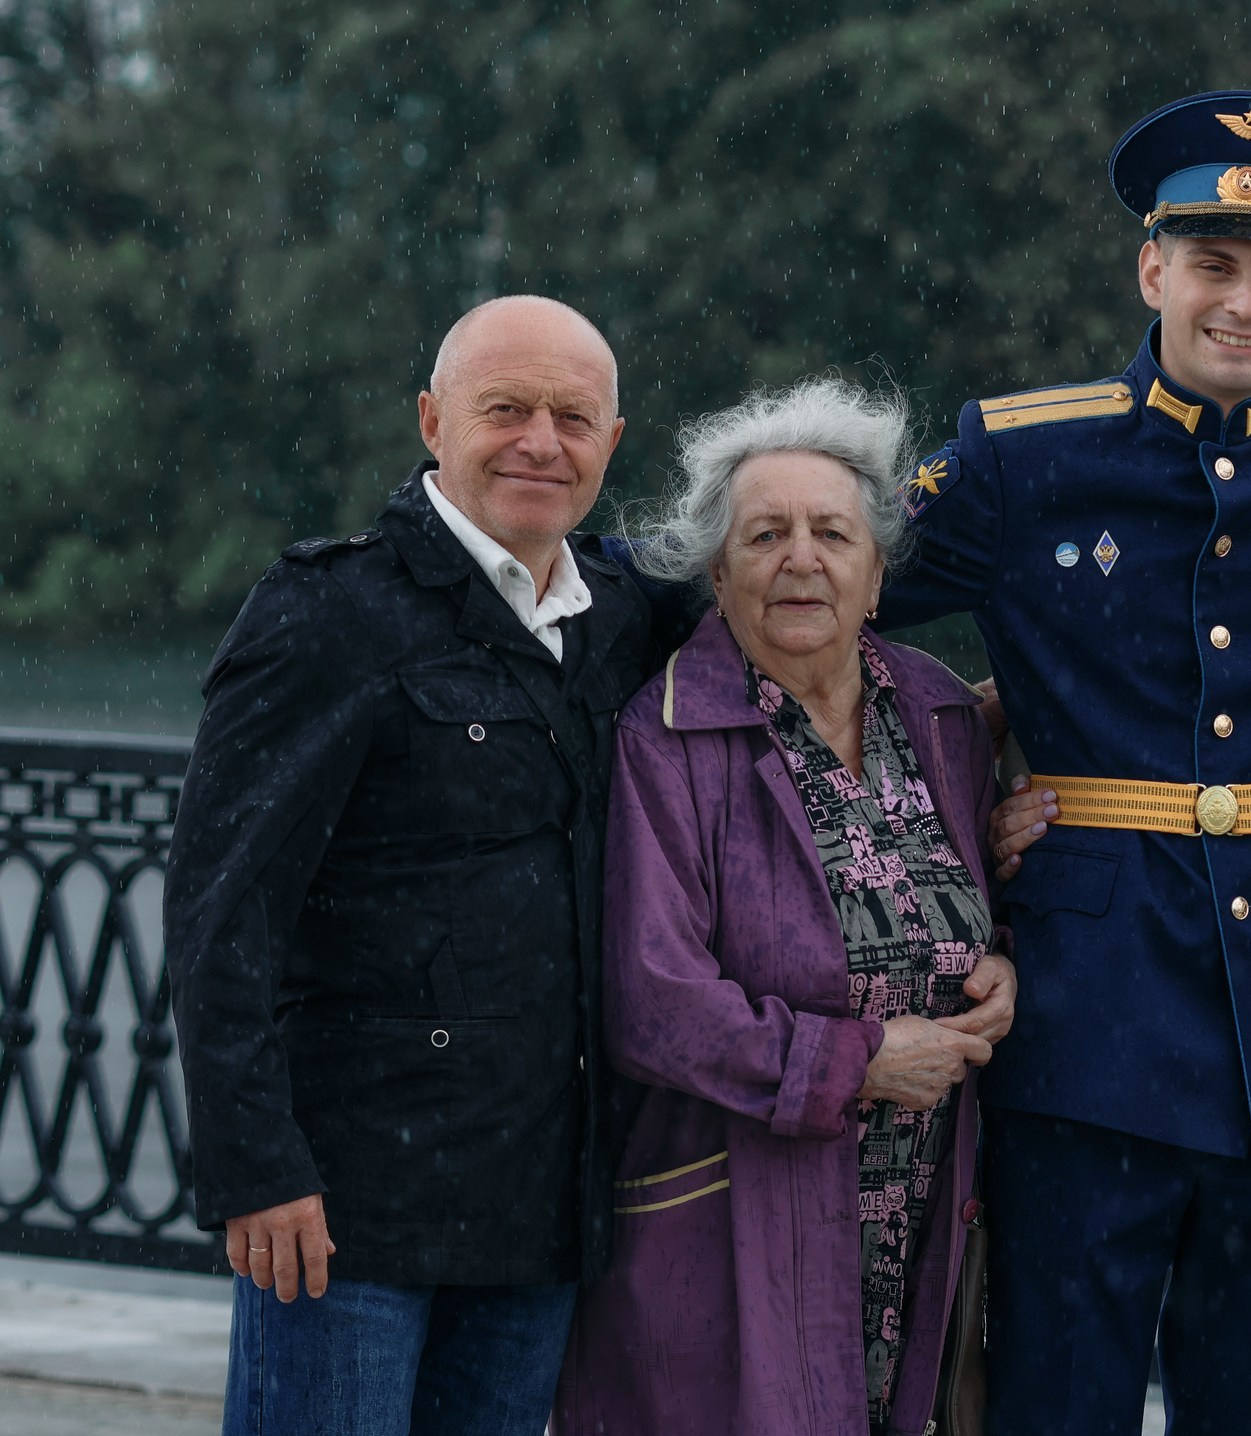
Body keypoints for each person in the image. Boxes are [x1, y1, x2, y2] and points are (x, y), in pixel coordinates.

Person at [879, 90, 1251, 1435]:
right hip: (1089, 1018)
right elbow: (805, 605)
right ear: (1153, 270)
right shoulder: (1023, 455)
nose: (1244, 303)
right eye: (1214, 266)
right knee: (1058, 1401)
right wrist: (957, 789)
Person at [166, 295, 657, 1434]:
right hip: (345, 1207)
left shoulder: (628, 614)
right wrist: (253, 1166)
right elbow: (216, 907)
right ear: (433, 420)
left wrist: (968, 726)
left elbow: (805, 637)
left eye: (573, 417)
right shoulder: (328, 613)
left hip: (542, 1202)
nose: (542, 439)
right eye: (506, 408)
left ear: (613, 444)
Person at [552, 378, 1019, 1435]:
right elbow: (654, 1000)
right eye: (764, 533)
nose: (799, 558)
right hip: (732, 1217)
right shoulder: (663, 735)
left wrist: (1001, 958)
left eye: (831, 532)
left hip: (916, 1208)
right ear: (717, 571)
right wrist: (857, 1061)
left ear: (877, 567)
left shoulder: (943, 712)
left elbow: (969, 900)